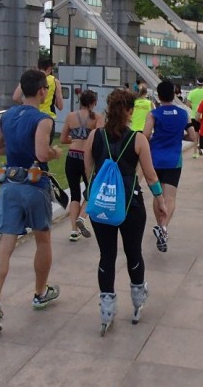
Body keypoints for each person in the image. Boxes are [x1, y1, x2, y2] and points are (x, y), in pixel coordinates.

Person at [0, 69, 64, 333]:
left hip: (10, 183)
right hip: (34, 184)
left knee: (5, 244)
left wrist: (18, 146)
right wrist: (55, 152)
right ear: (42, 91)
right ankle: (40, 292)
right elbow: (41, 153)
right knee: (43, 240)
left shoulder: (7, 116)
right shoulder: (43, 120)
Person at [84, 89, 168, 335]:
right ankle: (137, 299)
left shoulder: (94, 136)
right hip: (131, 205)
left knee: (106, 255)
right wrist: (160, 200)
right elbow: (151, 176)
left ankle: (106, 309)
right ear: (130, 111)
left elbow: (89, 171)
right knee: (133, 252)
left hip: (102, 205)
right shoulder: (138, 139)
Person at [143, 80, 197, 253]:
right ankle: (164, 227)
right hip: (174, 160)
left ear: (158, 96)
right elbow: (192, 137)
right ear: (174, 95)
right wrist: (178, 137)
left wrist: (156, 138)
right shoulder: (183, 114)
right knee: (170, 197)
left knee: (157, 195)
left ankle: (159, 224)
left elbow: (145, 136)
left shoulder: (153, 114)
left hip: (155, 159)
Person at [59, 89, 103, 242]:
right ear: (94, 102)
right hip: (87, 158)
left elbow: (63, 139)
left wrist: (75, 138)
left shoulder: (71, 116)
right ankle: (82, 217)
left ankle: (73, 230)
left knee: (75, 194)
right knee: (92, 190)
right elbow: (100, 138)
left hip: (72, 156)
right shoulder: (97, 117)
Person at [12, 60, 63, 139]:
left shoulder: (30, 78)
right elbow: (60, 106)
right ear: (49, 68)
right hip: (48, 117)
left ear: (38, 67)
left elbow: (16, 97)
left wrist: (26, 103)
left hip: (29, 116)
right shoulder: (55, 82)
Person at [186, 77, 203, 159]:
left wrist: (193, 107)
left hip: (194, 116)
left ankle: (195, 153)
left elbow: (188, 104)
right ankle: (202, 148)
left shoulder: (192, 92)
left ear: (197, 83)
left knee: (196, 134)